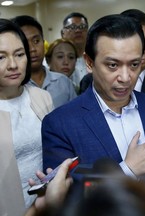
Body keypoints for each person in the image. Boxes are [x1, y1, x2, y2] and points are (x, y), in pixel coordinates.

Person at [42, 14, 145, 189]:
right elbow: (68, 193)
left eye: (134, 64)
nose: (125, 77)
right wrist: (127, 170)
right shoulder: (59, 124)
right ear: (89, 63)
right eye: (113, 65)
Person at [0, 18, 53, 216]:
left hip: (49, 204)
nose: (13, 65)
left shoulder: (41, 96)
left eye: (19, 54)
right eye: (1, 57)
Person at [11, 15, 77, 108]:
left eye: (36, 41)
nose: (32, 49)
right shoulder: (12, 86)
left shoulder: (64, 82)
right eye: (25, 43)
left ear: (43, 41)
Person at [61, 12, 89, 89]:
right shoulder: (52, 61)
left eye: (82, 27)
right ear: (63, 32)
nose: (78, 30)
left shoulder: (94, 58)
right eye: (72, 27)